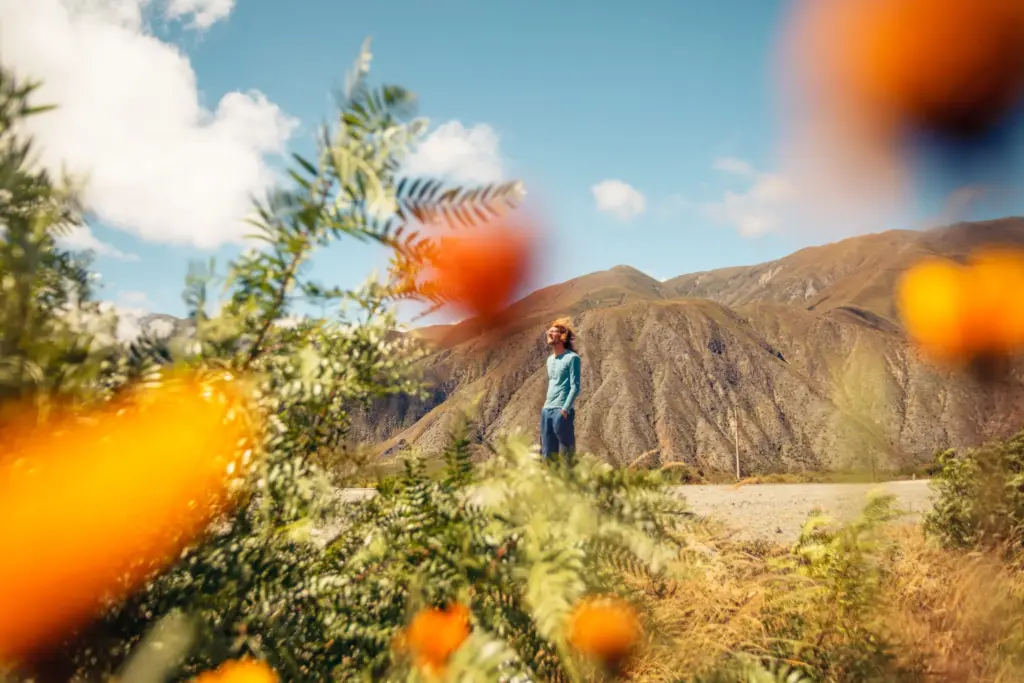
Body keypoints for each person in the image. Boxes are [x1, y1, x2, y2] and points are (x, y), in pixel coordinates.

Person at [540, 317, 581, 462]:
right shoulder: (549, 360)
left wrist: (565, 409)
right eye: (549, 331)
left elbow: (575, 386)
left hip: (561, 410)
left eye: (554, 332)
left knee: (566, 454)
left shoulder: (572, 358)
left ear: (563, 337)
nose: (549, 334)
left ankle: (569, 483)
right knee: (547, 454)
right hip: (546, 409)